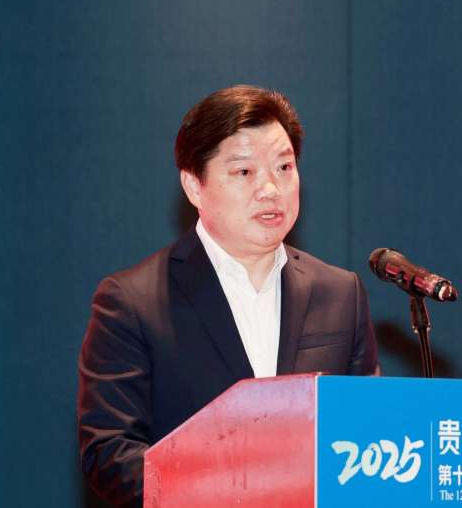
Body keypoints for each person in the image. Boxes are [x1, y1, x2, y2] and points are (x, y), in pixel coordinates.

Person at [77, 85, 378, 506]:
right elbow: (110, 452)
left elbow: (366, 435)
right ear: (194, 186)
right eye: (244, 172)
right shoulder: (132, 301)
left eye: (284, 167)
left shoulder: (340, 294)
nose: (270, 189)